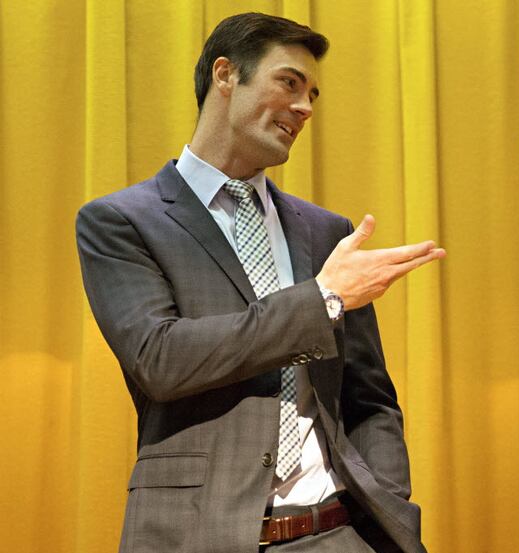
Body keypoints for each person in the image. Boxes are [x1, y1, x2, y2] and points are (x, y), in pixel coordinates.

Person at [76, 13, 444, 553]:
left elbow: (368, 399)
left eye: (313, 93)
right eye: (289, 82)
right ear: (225, 75)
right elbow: (159, 360)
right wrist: (323, 298)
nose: (305, 107)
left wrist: (388, 496)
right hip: (194, 535)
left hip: (339, 534)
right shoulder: (122, 221)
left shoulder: (327, 233)